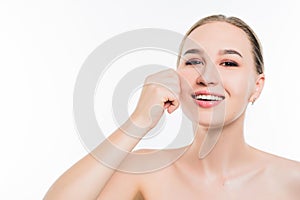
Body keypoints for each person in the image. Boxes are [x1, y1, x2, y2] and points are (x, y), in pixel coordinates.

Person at [44, 15, 300, 200]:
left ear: (257, 86)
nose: (206, 76)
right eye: (193, 61)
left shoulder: (293, 180)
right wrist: (137, 122)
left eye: (229, 63)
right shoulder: (146, 171)